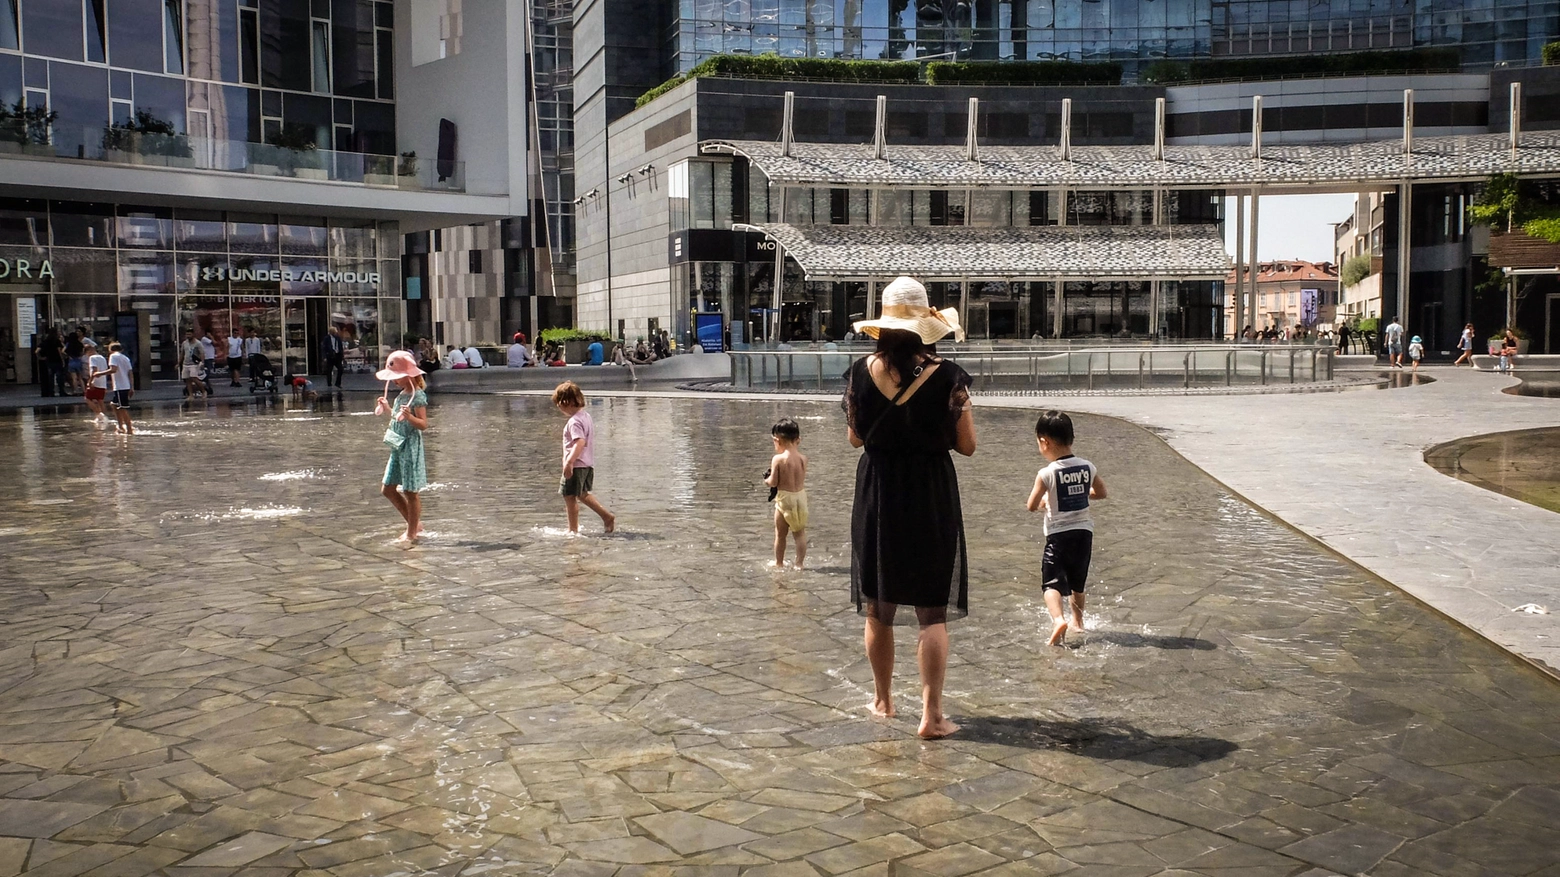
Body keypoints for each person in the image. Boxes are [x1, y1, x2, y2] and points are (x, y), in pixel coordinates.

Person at [842, 275, 974, 740]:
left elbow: (856, 437)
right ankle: (932, 715)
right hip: (930, 492)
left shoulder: (859, 372)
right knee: (931, 611)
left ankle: (882, 700)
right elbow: (968, 445)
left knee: (880, 606)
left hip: (877, 489)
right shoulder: (950, 377)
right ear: (923, 327)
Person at [1026, 410, 1108, 647]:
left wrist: (1043, 503)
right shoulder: (1087, 466)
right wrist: (1083, 494)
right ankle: (1079, 622)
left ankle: (1059, 619)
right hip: (1084, 533)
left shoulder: (1046, 473)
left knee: (1051, 583)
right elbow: (1102, 493)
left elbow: (1031, 505)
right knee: (1077, 582)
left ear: (1045, 442)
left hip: (1058, 536)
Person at [375, 351, 429, 543]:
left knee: (410, 490)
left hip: (410, 446)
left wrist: (410, 417)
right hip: (397, 444)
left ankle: (412, 531)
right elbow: (397, 419)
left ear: (408, 375)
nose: (395, 381)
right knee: (388, 488)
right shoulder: (401, 395)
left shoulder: (418, 396)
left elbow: (423, 424)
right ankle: (415, 524)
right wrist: (388, 408)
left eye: (398, 377)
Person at [553, 380, 615, 534]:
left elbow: (580, 442)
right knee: (582, 494)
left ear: (565, 402)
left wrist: (569, 462)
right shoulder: (585, 416)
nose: (558, 407)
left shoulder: (574, 422)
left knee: (569, 496)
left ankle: (573, 530)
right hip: (587, 463)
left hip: (577, 464)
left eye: (558, 403)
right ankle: (606, 517)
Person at [765, 417, 808, 569]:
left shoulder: (778, 459)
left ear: (778, 440)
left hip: (785, 499)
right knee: (800, 534)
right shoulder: (803, 459)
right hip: (800, 498)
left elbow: (774, 482)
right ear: (798, 440)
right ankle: (799, 564)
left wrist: (767, 480)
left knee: (780, 534)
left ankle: (779, 563)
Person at [102, 341, 134, 434]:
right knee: (114, 405)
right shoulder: (126, 358)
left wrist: (99, 374)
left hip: (120, 386)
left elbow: (113, 369)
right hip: (125, 386)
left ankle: (129, 428)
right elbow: (130, 373)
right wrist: (131, 387)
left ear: (110, 350)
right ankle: (120, 426)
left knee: (122, 408)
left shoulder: (113, 356)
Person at [82, 338, 108, 427]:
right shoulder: (102, 358)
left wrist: (90, 381)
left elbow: (94, 370)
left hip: (95, 382)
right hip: (102, 383)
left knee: (87, 398)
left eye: (86, 353)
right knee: (100, 400)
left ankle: (99, 415)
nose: (87, 356)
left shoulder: (92, 358)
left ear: (89, 351)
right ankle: (104, 417)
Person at [179, 329, 206, 400]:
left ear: (193, 334)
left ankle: (203, 391)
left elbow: (202, 353)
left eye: (189, 334)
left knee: (194, 378)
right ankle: (191, 395)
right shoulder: (184, 343)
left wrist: (202, 362)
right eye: (187, 334)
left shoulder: (198, 343)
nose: (188, 336)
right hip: (186, 363)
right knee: (187, 380)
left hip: (194, 364)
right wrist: (179, 363)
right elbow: (182, 354)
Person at [63, 329, 85, 395]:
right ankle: (84, 391)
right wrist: (80, 355)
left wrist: (68, 355)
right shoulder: (80, 344)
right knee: (80, 377)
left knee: (74, 378)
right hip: (78, 361)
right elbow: (83, 351)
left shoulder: (68, 344)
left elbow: (63, 351)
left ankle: (76, 391)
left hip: (72, 361)